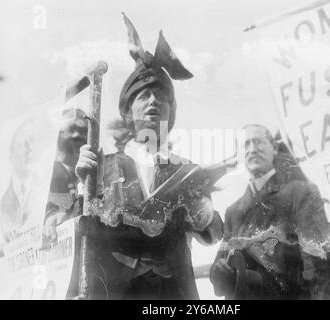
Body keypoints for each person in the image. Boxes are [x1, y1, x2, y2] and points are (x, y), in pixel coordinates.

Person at [71, 14, 223, 300]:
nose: (153, 102)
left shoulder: (188, 172)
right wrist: (82, 186)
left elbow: (214, 233)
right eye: (143, 96)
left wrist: (205, 215)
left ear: (171, 113)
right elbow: (76, 232)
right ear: (128, 112)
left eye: (161, 97)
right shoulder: (101, 167)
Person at [210, 124, 330, 299]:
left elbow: (319, 263)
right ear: (240, 156)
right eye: (246, 145)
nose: (252, 149)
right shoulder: (234, 211)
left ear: (275, 148)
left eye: (259, 142)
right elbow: (219, 275)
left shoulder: (300, 193)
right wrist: (219, 270)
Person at [43, 108, 88, 242]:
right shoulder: (45, 177)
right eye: (72, 129)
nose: (78, 136)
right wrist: (49, 217)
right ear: (56, 136)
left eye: (85, 131)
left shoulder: (99, 174)